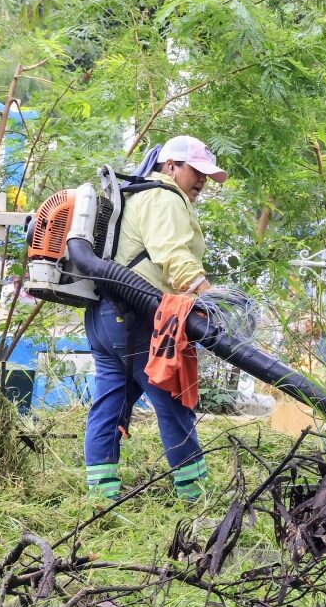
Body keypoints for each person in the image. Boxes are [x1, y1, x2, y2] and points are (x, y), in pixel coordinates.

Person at [83, 135, 228, 500]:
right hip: (140, 318)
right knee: (173, 399)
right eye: (195, 171)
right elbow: (173, 255)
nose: (201, 181)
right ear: (170, 166)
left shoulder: (135, 195)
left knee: (109, 403)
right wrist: (209, 297)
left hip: (105, 316)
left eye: (206, 176)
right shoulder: (164, 197)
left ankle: (101, 495)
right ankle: (196, 495)